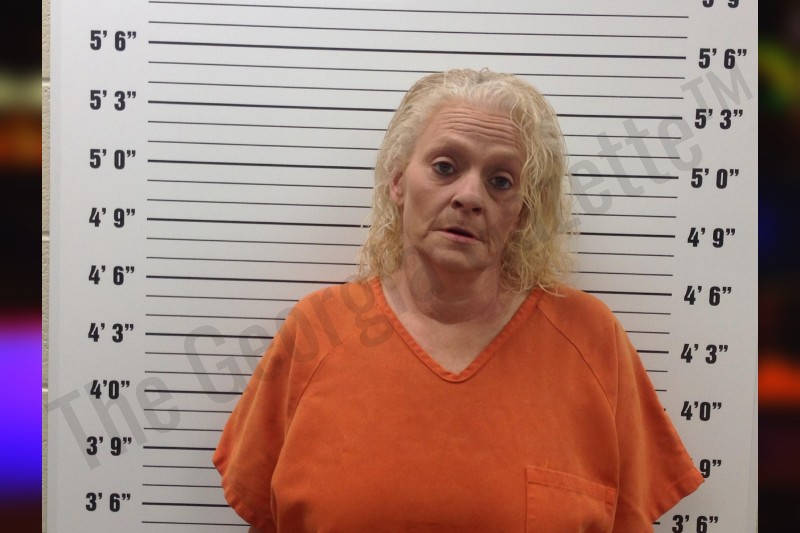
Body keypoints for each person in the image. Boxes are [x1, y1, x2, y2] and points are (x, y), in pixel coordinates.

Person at [212, 68, 704, 532]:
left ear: (521, 213)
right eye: (445, 167)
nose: (470, 196)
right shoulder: (316, 331)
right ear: (398, 182)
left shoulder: (591, 338)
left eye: (501, 181)